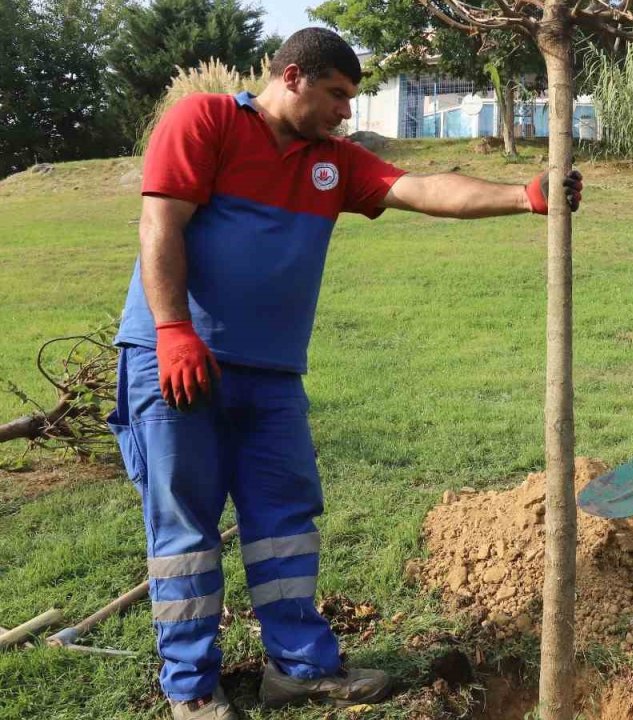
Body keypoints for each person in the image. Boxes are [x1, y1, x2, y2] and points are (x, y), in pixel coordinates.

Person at [106, 28, 583, 720]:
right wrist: (174, 330)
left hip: (270, 376)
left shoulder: (332, 162)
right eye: (336, 95)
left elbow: (419, 187)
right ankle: (192, 688)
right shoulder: (206, 120)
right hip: (179, 361)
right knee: (185, 529)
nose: (345, 112)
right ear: (293, 76)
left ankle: (297, 669)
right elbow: (160, 225)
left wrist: (525, 196)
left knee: (285, 522)